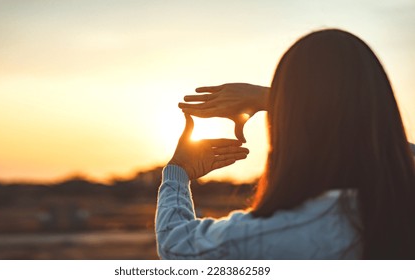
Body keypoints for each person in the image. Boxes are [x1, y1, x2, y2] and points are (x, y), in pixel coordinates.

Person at [155, 29, 415, 259]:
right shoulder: (400, 213)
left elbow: (176, 244)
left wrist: (179, 170)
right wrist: (270, 98)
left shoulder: (272, 235)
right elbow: (384, 143)